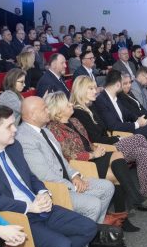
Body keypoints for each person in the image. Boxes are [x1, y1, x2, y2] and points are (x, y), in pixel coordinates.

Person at [0, 105, 99, 247]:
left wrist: (43, 192)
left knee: (89, 228)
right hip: (16, 216)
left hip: (40, 206)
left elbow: (30, 177)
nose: (15, 129)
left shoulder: (14, 146)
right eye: (9, 126)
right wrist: (29, 207)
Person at [45, 92, 147, 226]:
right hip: (80, 164)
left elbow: (88, 143)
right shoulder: (54, 128)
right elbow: (68, 155)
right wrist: (93, 155)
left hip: (93, 155)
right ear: (59, 110)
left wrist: (97, 149)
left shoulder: (74, 121)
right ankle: (134, 201)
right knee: (119, 165)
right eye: (67, 104)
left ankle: (127, 211)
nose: (71, 104)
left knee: (120, 160)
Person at [69, 76, 147, 197]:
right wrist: (119, 138)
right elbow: (95, 140)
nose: (95, 91)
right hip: (102, 148)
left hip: (108, 143)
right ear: (81, 90)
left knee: (142, 151)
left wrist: (119, 138)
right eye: (91, 88)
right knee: (140, 138)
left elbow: (104, 131)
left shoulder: (90, 107)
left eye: (95, 88)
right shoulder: (78, 113)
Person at [16, 96, 114, 224]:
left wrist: (75, 176)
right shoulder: (25, 138)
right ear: (33, 115)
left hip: (66, 180)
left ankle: (96, 228)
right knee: (93, 204)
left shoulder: (44, 130)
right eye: (44, 109)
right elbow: (43, 175)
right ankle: (87, 233)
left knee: (108, 187)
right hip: (53, 189)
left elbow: (61, 159)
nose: (48, 111)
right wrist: (72, 186)